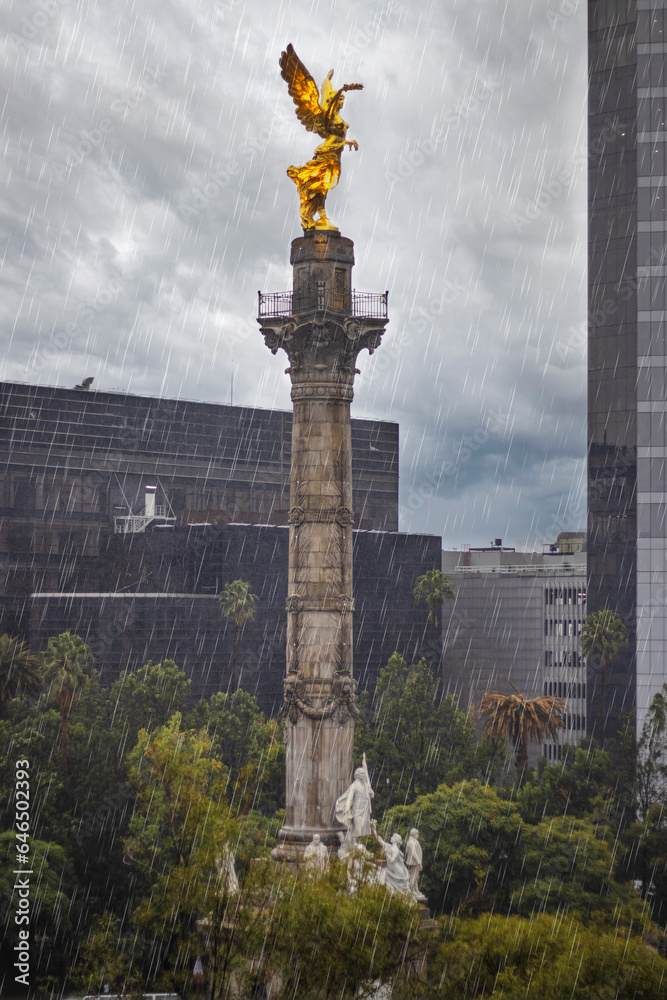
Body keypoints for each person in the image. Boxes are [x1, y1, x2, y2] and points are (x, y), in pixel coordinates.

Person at [335, 758, 374, 849]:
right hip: (357, 810)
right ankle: (355, 845)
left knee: (363, 829)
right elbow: (349, 797)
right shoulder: (354, 785)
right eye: (362, 773)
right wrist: (347, 808)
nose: (364, 774)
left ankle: (359, 845)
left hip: (365, 809)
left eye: (364, 773)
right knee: (358, 829)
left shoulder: (366, 785)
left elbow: (372, 794)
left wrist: (371, 793)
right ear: (357, 775)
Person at [370, 822, 412, 896]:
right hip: (390, 870)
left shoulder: (396, 850)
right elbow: (380, 841)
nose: (391, 837)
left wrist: (387, 854)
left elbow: (392, 860)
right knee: (384, 879)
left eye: (393, 837)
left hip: (397, 872)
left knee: (402, 890)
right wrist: (374, 830)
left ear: (396, 840)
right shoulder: (389, 846)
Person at [405, 828, 426, 901]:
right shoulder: (411, 842)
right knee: (414, 876)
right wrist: (419, 862)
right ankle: (410, 890)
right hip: (414, 862)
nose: (418, 835)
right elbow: (414, 853)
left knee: (415, 876)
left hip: (415, 861)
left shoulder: (413, 841)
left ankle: (415, 890)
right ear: (414, 834)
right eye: (417, 834)